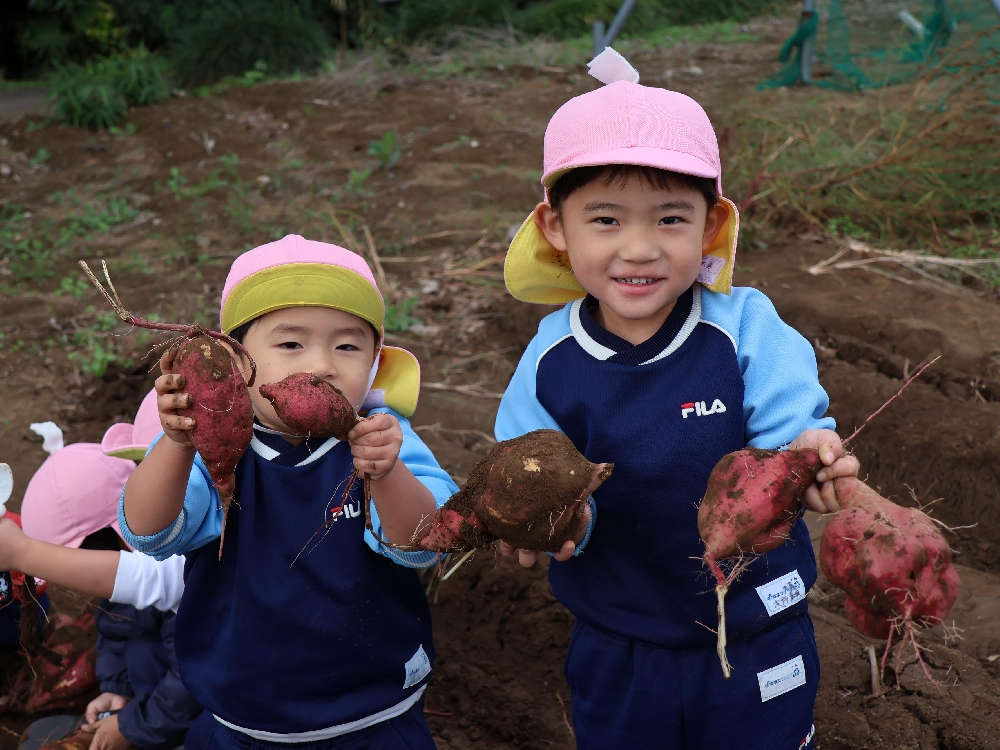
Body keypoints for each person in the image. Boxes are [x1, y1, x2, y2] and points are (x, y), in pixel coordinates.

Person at [494, 49, 859, 749]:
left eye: (669, 219)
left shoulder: (745, 327)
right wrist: (546, 523)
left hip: (759, 627)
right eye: (605, 221)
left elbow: (793, 433)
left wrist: (808, 455)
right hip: (619, 634)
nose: (639, 249)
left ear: (710, 224)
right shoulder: (550, 360)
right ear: (555, 228)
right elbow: (526, 471)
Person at [119, 234, 459, 749]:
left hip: (374, 716)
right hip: (240, 716)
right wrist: (175, 444)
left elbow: (425, 541)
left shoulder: (384, 439)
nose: (322, 365)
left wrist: (386, 475)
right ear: (236, 362)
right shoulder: (214, 449)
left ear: (374, 362)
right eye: (291, 343)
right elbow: (150, 534)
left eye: (348, 345)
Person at [2, 425, 198, 750]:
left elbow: (193, 678)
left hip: (204, 708)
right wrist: (116, 689)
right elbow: (114, 630)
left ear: (108, 543)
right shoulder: (120, 580)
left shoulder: (179, 579)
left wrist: (133, 727)